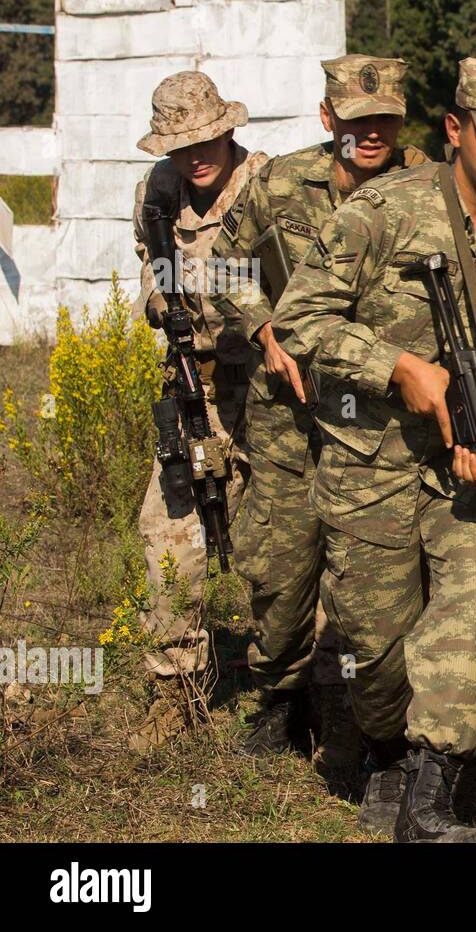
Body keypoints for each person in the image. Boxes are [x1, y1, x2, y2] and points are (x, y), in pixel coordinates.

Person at [271, 57, 476, 842]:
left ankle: (434, 795)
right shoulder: (382, 213)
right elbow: (300, 321)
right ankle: (382, 750)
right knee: (374, 644)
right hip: (367, 459)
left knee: (470, 615)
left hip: (467, 468)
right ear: (454, 130)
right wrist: (394, 367)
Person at [208, 55, 428, 811]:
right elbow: (228, 270)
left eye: (385, 120)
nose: (371, 133)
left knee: (376, 583)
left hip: (381, 424)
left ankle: (384, 739)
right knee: (279, 560)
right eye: (356, 119)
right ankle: (281, 695)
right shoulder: (277, 186)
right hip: (287, 410)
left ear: (402, 121)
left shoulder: (427, 189)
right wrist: (263, 329)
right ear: (328, 117)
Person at [129, 71, 268, 748]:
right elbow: (153, 276)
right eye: (182, 145)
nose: (197, 155)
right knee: (169, 533)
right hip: (199, 393)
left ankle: (306, 693)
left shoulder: (269, 188)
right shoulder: (156, 194)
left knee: (289, 543)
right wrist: (161, 305)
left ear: (228, 128)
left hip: (274, 391)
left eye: (207, 139)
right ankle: (175, 692)